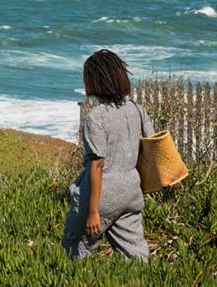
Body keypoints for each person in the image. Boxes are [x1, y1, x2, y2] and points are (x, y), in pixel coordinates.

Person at [61, 49, 154, 260]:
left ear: (94, 82)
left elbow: (97, 165)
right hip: (131, 191)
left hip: (102, 195)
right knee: (135, 252)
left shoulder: (96, 118)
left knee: (76, 248)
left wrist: (93, 211)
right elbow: (151, 143)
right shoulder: (136, 109)